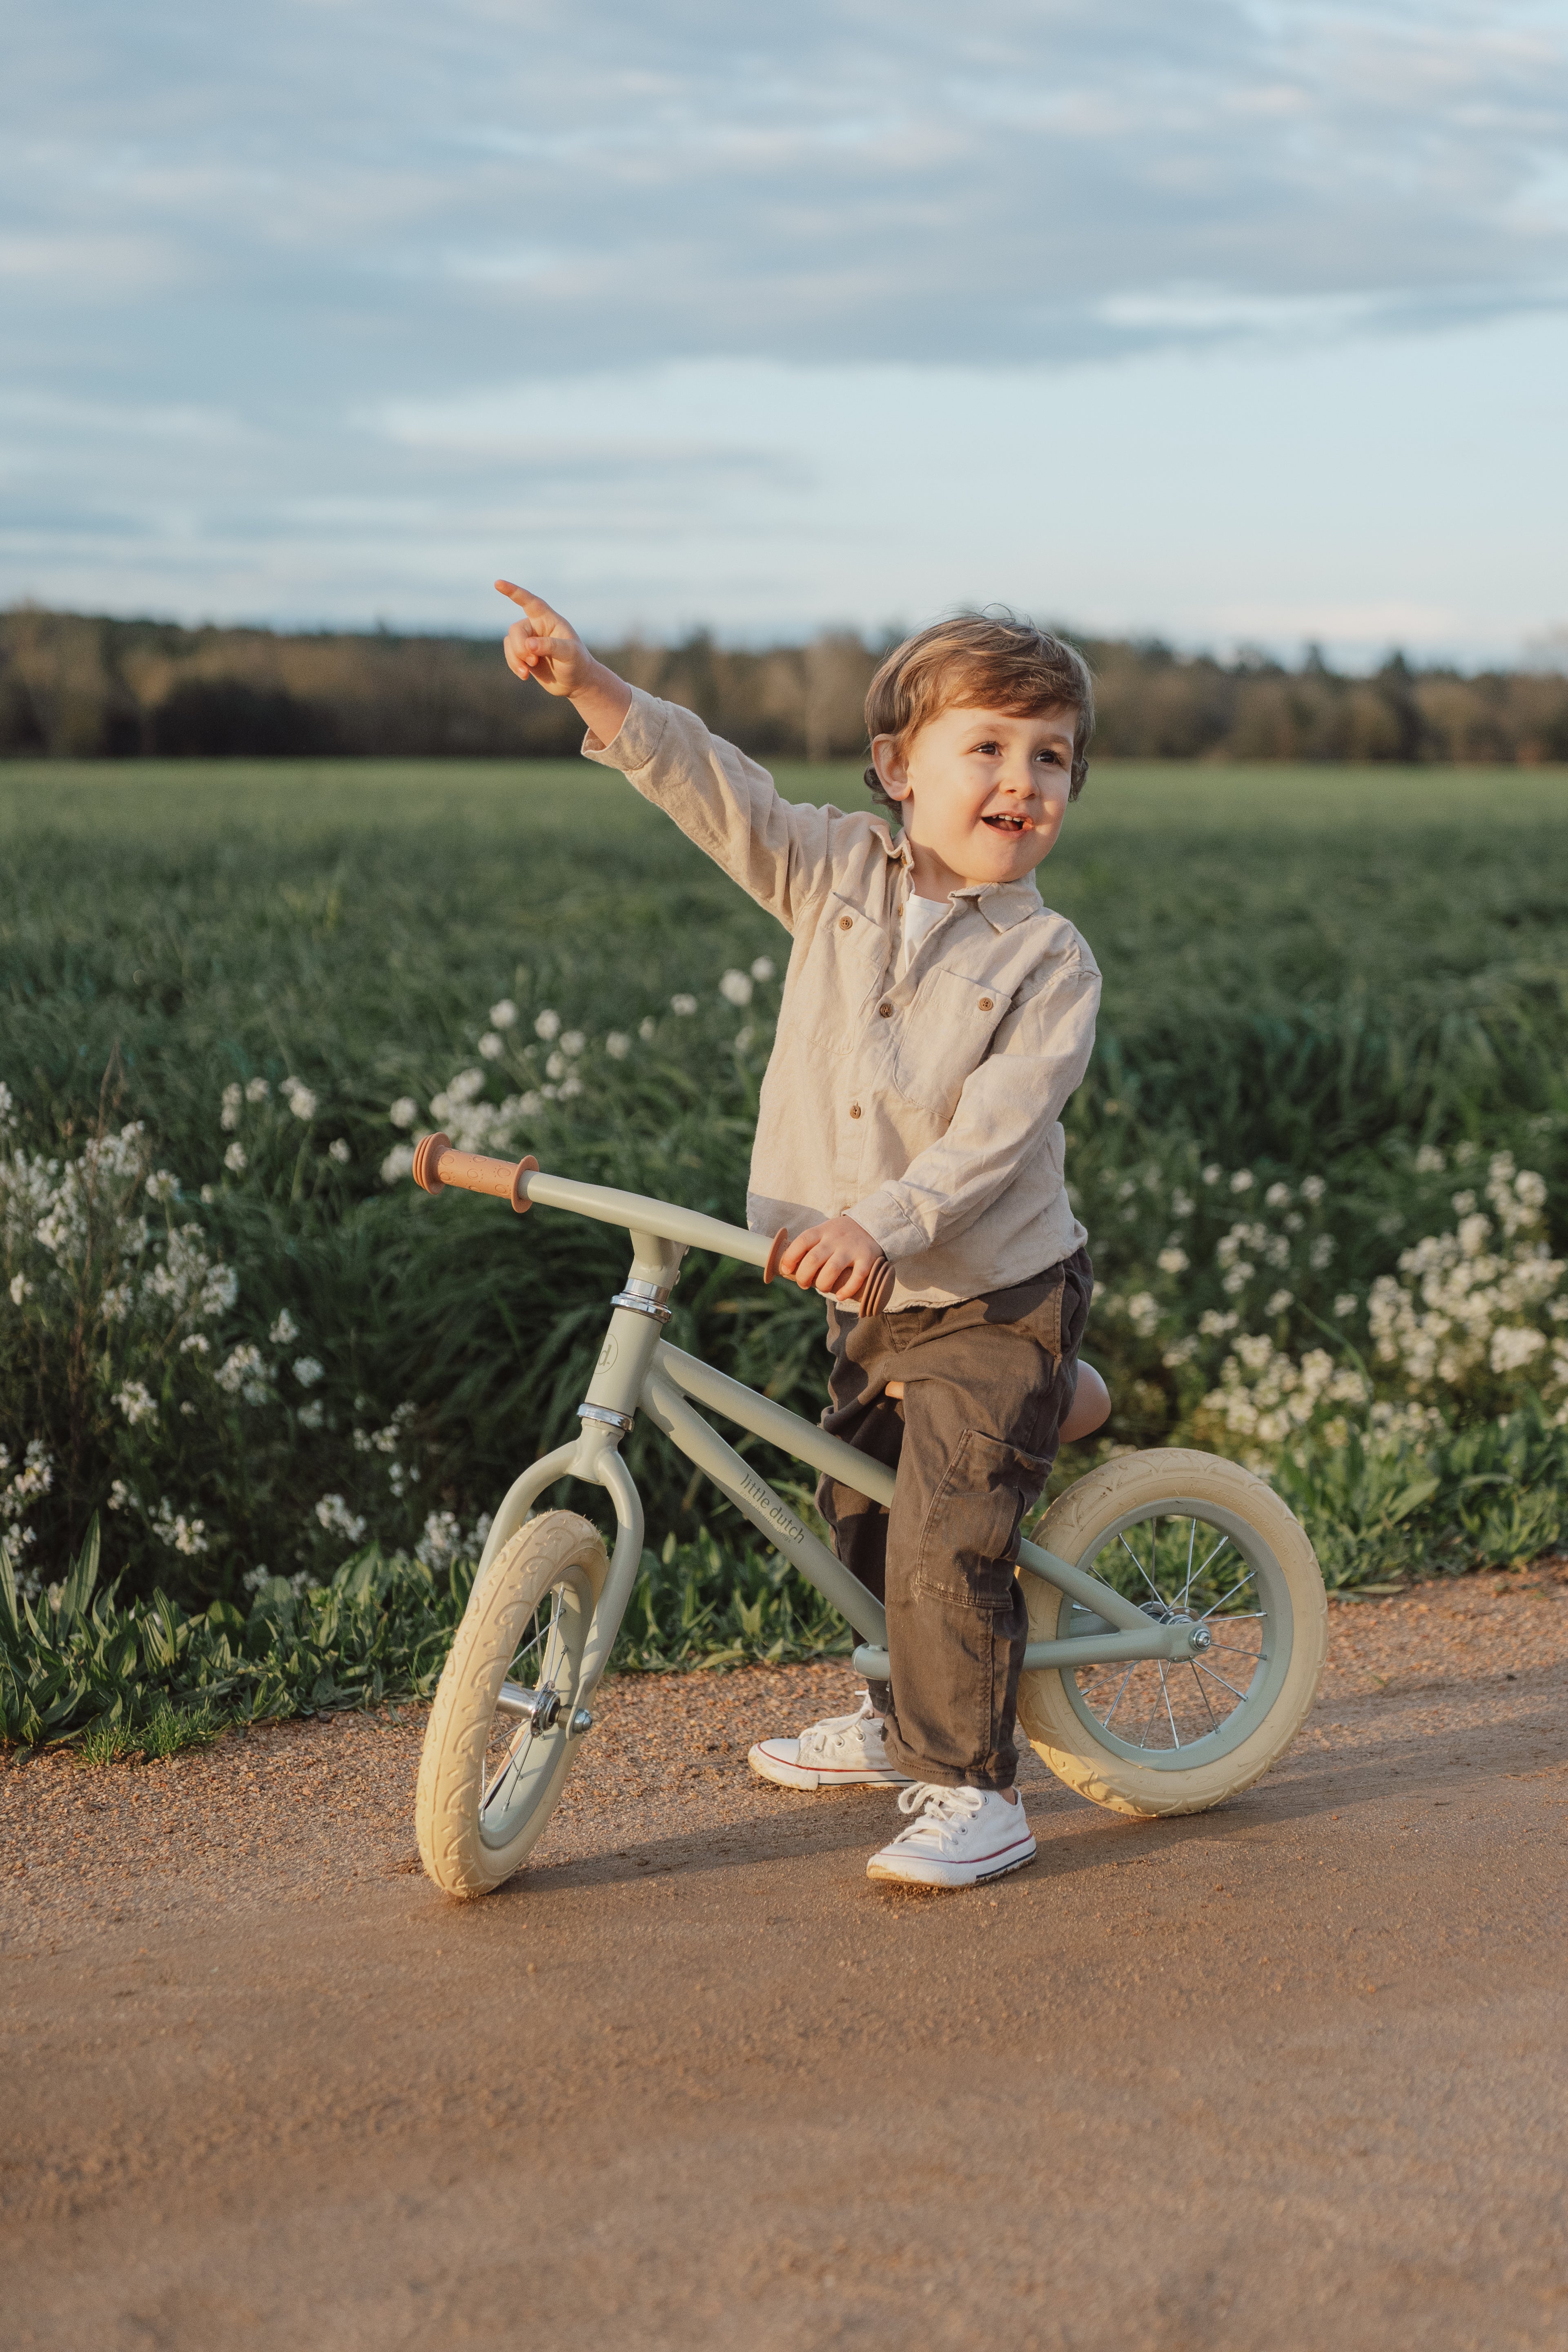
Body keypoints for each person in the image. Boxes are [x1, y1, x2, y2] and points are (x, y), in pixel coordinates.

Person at [497, 580, 1110, 1889]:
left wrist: (881, 1221)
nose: (1023, 781)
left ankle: (974, 1789)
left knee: (947, 1533)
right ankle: (904, 1714)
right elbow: (717, 790)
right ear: (897, 768)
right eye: (987, 748)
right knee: (862, 1506)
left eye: (1050, 755)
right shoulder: (832, 870)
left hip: (993, 1289)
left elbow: (993, 1136)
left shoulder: (1051, 960)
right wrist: (593, 686)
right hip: (874, 1296)